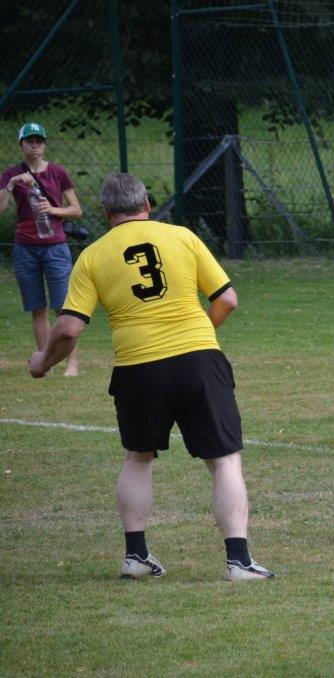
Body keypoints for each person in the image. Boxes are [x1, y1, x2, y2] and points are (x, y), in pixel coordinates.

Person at [28, 172, 274, 582]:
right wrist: (200, 332)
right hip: (199, 360)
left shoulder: (92, 256)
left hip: (137, 367)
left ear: (106, 212)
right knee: (224, 460)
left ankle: (136, 557)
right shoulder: (183, 237)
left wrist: (42, 362)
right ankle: (238, 561)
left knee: (138, 458)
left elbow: (69, 328)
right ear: (146, 205)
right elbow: (227, 300)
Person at [2, 122, 82, 376]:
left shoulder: (57, 172)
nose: (35, 145)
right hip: (25, 248)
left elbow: (76, 210)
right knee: (37, 308)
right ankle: (44, 363)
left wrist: (52, 209)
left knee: (63, 308)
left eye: (39, 141)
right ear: (22, 145)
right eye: (30, 141)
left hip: (55, 246)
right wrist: (12, 184)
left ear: (44, 145)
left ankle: (72, 363)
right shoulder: (11, 174)